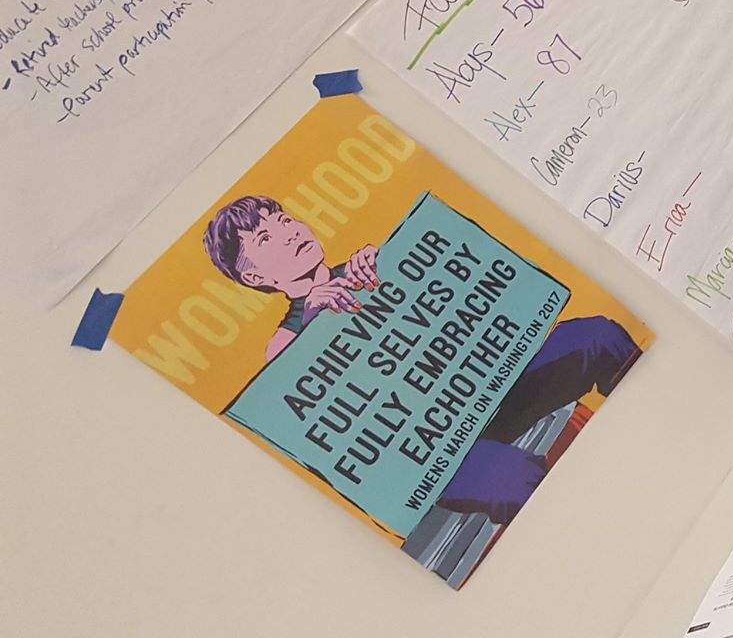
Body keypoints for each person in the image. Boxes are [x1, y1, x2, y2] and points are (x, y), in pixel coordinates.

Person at [203, 195, 640, 522]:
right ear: (254, 276)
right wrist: (314, 320)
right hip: (434, 451)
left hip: (485, 390)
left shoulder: (370, 264)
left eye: (284, 220)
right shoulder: (283, 343)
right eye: (265, 238)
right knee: (509, 476)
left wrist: (391, 263)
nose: (289, 232)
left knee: (594, 336)